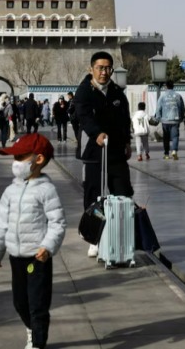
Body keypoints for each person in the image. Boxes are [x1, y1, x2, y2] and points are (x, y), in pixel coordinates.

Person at [0, 133, 66, 349]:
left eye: (20, 157)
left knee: (37, 305)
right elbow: (1, 223)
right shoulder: (10, 191)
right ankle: (32, 328)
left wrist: (48, 246)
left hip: (37, 258)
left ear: (38, 160)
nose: (15, 163)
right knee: (20, 302)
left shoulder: (46, 190)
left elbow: (57, 222)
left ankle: (38, 342)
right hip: (16, 257)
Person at [74, 51, 133, 257]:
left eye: (108, 68)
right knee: (94, 195)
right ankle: (93, 237)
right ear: (91, 69)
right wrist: (96, 133)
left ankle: (121, 235)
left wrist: (127, 141)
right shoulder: (84, 91)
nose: (104, 72)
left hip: (116, 150)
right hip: (93, 151)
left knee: (123, 191)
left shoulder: (117, 92)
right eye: (100, 68)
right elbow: (83, 116)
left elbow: (125, 118)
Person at [155, 80, 185, 160]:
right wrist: (181, 117)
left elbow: (158, 108)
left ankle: (166, 154)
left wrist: (158, 118)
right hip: (175, 119)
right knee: (175, 136)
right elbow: (182, 108)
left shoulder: (162, 96)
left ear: (166, 86)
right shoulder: (178, 96)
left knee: (166, 137)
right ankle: (174, 151)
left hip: (165, 120)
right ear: (173, 86)